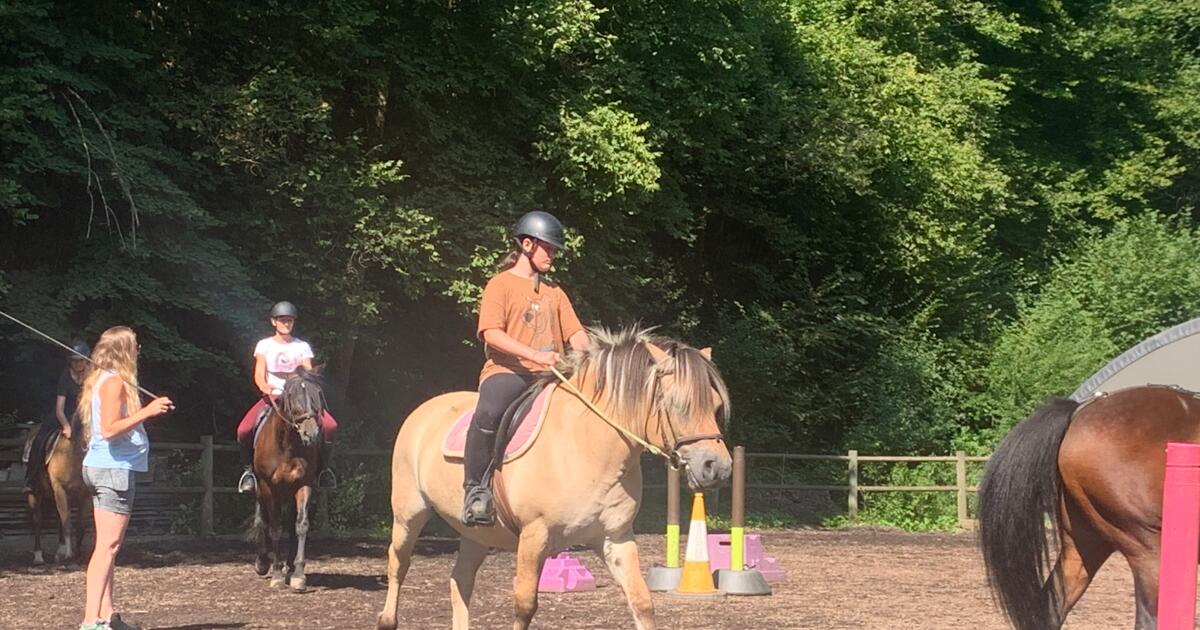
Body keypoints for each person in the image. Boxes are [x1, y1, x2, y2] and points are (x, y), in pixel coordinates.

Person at [461, 211, 589, 526]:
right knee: (489, 411)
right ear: (527, 245)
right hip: (508, 371)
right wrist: (534, 355)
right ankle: (476, 491)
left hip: (549, 376)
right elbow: (491, 333)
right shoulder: (500, 284)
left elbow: (576, 334)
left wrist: (592, 356)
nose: (552, 256)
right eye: (548, 248)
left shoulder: (555, 292)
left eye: (555, 250)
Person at [78, 326, 173, 630]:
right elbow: (109, 429)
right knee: (107, 547)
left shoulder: (102, 379)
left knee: (106, 547)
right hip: (113, 470)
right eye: (136, 345)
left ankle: (107, 616)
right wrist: (148, 411)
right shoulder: (114, 382)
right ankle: (90, 622)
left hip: (103, 468)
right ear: (124, 350)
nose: (139, 350)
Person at [235, 301, 338, 493]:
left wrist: (307, 385)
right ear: (274, 322)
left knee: (331, 426)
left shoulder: (302, 347)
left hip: (299, 398)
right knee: (243, 430)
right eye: (282, 320)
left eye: (289, 320)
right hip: (274, 396)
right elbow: (259, 373)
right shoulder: (264, 345)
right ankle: (249, 472)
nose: (286, 323)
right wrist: (264, 386)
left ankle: (324, 470)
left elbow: (307, 373)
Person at [23, 341, 90, 493]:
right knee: (40, 437)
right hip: (64, 412)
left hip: (85, 412)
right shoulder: (65, 376)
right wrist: (66, 426)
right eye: (74, 360)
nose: (77, 364)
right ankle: (31, 478)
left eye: (80, 360)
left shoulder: (93, 376)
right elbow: (59, 408)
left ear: (86, 360)